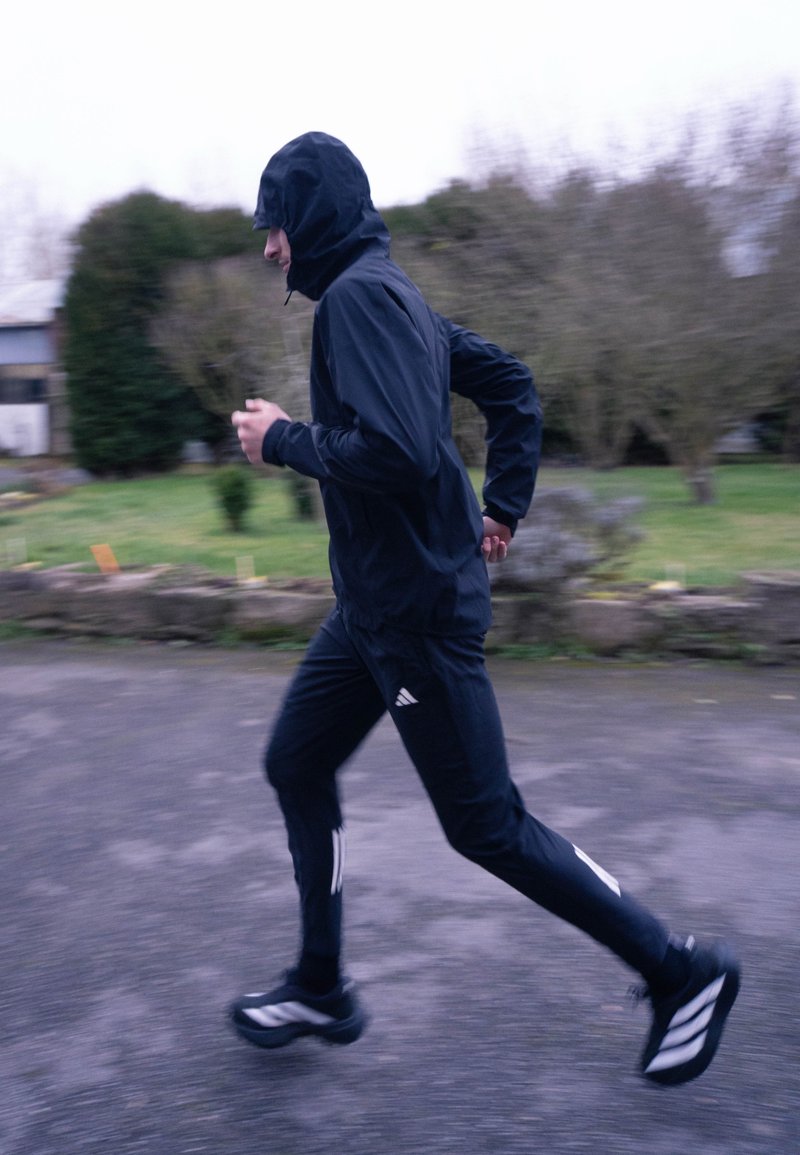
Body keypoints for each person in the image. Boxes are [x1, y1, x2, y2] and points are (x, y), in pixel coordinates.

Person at [229, 131, 740, 1085]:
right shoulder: (396, 297)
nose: (269, 247)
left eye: (277, 225)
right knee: (295, 761)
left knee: (487, 825)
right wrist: (503, 503)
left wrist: (284, 440)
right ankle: (321, 982)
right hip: (370, 613)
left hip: (416, 620)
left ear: (313, 217)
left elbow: (399, 452)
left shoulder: (360, 299)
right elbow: (509, 381)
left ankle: (682, 971)